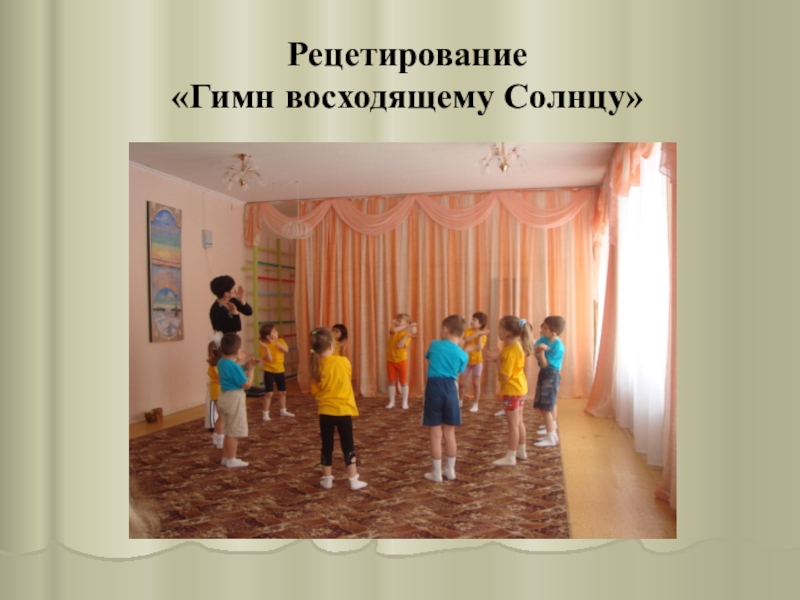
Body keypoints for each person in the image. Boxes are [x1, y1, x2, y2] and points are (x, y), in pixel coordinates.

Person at [309, 327, 368, 491]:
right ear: (331, 346)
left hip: (325, 412)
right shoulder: (343, 361)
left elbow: (315, 391)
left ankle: (327, 479)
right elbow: (346, 378)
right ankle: (353, 479)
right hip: (343, 411)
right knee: (348, 445)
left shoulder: (316, 367)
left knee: (326, 445)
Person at [422, 315, 469, 482]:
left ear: (445, 329)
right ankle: (450, 470)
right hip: (450, 388)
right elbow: (460, 370)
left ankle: (436, 473)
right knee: (450, 433)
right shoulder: (463, 354)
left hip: (434, 387)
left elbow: (428, 357)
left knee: (435, 434)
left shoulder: (435, 344)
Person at [485, 316, 534, 466]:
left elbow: (505, 376)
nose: (498, 331)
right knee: (519, 422)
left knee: (513, 424)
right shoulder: (517, 346)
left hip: (512, 391)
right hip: (520, 388)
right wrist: (499, 357)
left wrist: (497, 359)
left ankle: (511, 456)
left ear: (507, 333)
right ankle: (521, 451)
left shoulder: (510, 351)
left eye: (500, 328)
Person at [207, 276, 253, 434]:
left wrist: (241, 301)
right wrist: (234, 312)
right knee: (225, 376)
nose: (235, 289)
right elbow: (236, 327)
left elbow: (249, 311)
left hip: (231, 345)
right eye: (232, 288)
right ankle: (220, 421)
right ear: (226, 293)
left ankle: (227, 413)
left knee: (232, 373)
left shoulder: (231, 301)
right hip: (225, 346)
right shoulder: (216, 310)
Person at [215, 332, 259, 468]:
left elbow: (234, 372)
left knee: (227, 430)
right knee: (233, 432)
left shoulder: (221, 362)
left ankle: (226, 457)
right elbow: (247, 384)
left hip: (224, 397)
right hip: (234, 399)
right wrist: (251, 370)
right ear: (237, 351)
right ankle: (231, 459)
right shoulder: (233, 366)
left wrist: (245, 365)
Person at [532, 316, 566, 448]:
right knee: (548, 403)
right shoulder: (544, 339)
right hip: (544, 373)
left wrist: (540, 351)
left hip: (551, 375)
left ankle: (551, 436)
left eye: (545, 328)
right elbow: (534, 351)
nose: (542, 330)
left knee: (546, 407)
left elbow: (545, 364)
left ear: (553, 333)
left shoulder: (558, 347)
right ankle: (551, 426)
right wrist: (537, 349)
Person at [259, 324, 294, 420]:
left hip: (280, 370)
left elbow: (286, 350)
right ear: (268, 336)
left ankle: (283, 411)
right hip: (269, 371)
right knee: (269, 393)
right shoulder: (263, 346)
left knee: (283, 392)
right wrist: (267, 348)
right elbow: (269, 359)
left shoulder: (280, 341)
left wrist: (276, 343)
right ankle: (265, 413)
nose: (277, 332)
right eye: (274, 332)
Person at [385, 313, 417, 409]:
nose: (397, 322)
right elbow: (392, 330)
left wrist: (407, 334)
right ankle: (392, 402)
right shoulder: (394, 328)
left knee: (403, 381)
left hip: (401, 360)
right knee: (391, 381)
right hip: (390, 359)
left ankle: (404, 402)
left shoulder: (407, 334)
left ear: (407, 322)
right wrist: (406, 326)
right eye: (397, 320)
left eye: (400, 321)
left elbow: (399, 345)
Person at [460, 312, 489, 413]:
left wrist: (480, 335)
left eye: (474, 320)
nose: (471, 321)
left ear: (480, 324)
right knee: (461, 383)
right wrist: (478, 333)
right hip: (466, 362)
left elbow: (479, 348)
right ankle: (460, 400)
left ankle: (475, 404)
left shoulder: (483, 336)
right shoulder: (467, 331)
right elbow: (467, 339)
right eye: (472, 319)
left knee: (476, 383)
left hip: (477, 362)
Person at [207, 337, 225, 449]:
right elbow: (222, 378)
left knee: (220, 416)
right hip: (218, 392)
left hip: (215, 391)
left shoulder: (213, 365)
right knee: (222, 417)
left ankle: (215, 436)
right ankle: (220, 439)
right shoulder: (216, 366)